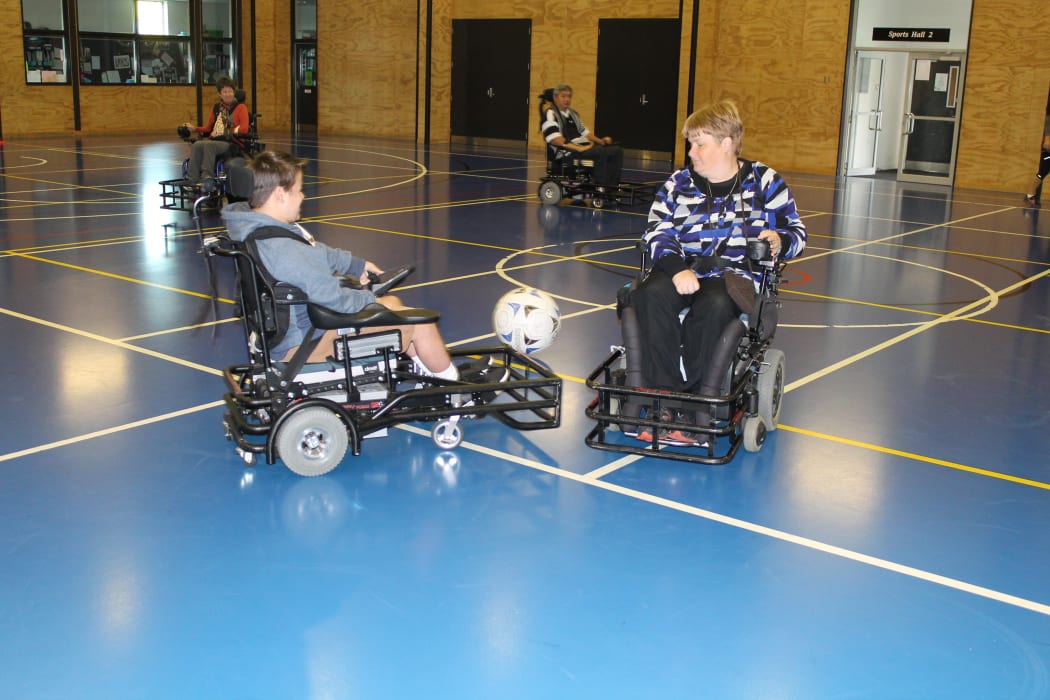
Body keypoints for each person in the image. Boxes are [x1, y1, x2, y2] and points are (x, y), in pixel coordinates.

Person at [630, 100, 807, 445]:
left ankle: (697, 405)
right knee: (648, 295)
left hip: (735, 276)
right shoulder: (678, 183)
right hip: (683, 267)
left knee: (713, 305)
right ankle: (664, 404)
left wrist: (778, 240)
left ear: (727, 143)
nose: (691, 152)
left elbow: (798, 234)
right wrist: (677, 268)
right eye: (691, 144)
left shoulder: (764, 182)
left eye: (699, 144)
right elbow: (656, 231)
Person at [221, 150, 460, 380]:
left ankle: (429, 370)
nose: (303, 196)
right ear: (280, 194)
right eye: (299, 191)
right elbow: (332, 298)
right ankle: (456, 389)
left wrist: (356, 265)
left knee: (394, 303)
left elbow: (315, 251)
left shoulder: (257, 229)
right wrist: (368, 299)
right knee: (421, 323)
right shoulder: (284, 249)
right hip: (304, 342)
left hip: (292, 331)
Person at [540, 83, 624, 188]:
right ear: (555, 97)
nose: (567, 99)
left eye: (569, 96)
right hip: (568, 153)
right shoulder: (550, 114)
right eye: (563, 96)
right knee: (600, 152)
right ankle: (601, 186)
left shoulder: (572, 113)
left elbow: (585, 132)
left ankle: (612, 185)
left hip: (582, 148)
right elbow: (555, 140)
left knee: (616, 150)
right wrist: (579, 148)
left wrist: (601, 141)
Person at [181, 76, 249, 183]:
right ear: (220, 94)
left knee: (209, 145)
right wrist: (194, 129)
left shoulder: (240, 107)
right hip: (216, 140)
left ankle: (207, 177)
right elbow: (208, 128)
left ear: (234, 92)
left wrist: (226, 131)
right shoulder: (217, 108)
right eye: (225, 92)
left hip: (231, 142)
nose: (228, 94)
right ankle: (192, 178)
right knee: (197, 144)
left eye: (230, 91)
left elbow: (244, 129)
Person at [1024, 110, 1050, 205]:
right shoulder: (1049, 121)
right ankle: (1030, 195)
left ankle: (1030, 195)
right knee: (1041, 174)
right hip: (1047, 154)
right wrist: (1047, 141)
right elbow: (1047, 144)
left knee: (1042, 174)